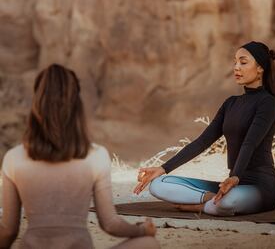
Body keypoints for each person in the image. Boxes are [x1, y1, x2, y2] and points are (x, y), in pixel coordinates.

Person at [0, 64, 160, 249]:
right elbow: (110, 224)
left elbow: (8, 231)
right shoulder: (95, 156)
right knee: (148, 244)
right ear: (77, 105)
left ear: (37, 104)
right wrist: (142, 230)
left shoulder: (15, 158)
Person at [134, 41, 275, 216]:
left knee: (228, 203)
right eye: (235, 62)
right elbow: (202, 142)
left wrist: (235, 177)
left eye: (243, 62)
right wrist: (163, 168)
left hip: (261, 187)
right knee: (158, 185)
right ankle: (211, 200)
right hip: (229, 185)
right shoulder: (231, 103)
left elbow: (249, 143)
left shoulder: (268, 103)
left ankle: (205, 205)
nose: (236, 67)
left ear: (260, 68)